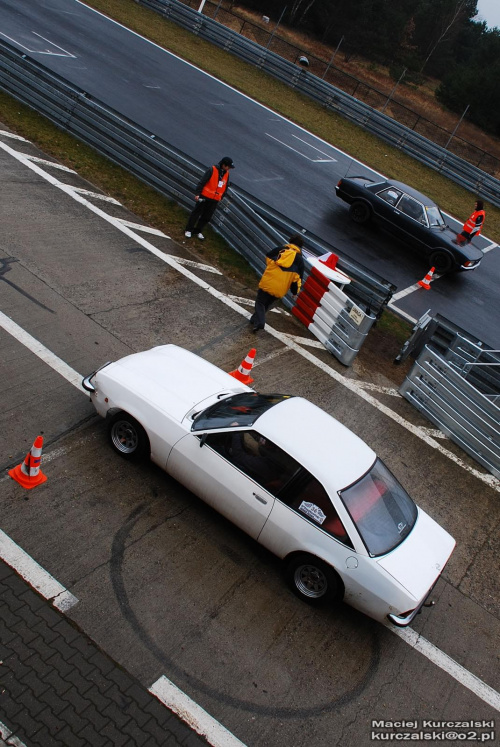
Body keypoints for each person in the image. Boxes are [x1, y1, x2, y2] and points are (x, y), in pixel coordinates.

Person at [250, 234, 305, 333]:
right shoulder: (300, 261)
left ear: (290, 241)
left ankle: (260, 322)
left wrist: (272, 266)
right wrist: (294, 292)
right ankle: (254, 320)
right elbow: (297, 280)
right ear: (300, 247)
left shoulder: (280, 250)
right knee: (267, 304)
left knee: (260, 302)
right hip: (281, 288)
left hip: (269, 281)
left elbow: (268, 257)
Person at [184, 156, 235, 240]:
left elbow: (225, 186)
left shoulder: (226, 173)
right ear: (223, 165)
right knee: (196, 213)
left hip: (215, 199)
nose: (229, 168)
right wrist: (197, 194)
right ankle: (188, 230)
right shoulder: (212, 169)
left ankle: (198, 231)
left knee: (207, 217)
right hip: (204, 196)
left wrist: (221, 196)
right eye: (228, 166)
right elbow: (202, 182)